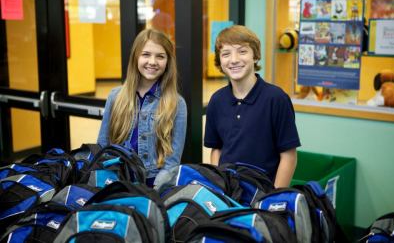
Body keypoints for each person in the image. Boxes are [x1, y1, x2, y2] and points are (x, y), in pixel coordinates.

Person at [204, 25, 300, 188]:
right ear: (220, 61)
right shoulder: (216, 100)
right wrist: (219, 185)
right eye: (226, 54)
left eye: (242, 51)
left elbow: (289, 156)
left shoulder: (276, 99)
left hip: (264, 193)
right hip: (229, 192)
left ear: (255, 56)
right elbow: (217, 150)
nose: (234, 60)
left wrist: (273, 198)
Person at [97, 29, 187, 187]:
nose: (152, 62)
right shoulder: (115, 97)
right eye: (146, 54)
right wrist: (109, 184)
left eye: (160, 56)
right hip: (117, 181)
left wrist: (154, 192)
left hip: (154, 184)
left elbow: (172, 162)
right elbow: (102, 146)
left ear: (168, 62)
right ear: (135, 58)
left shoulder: (177, 103)